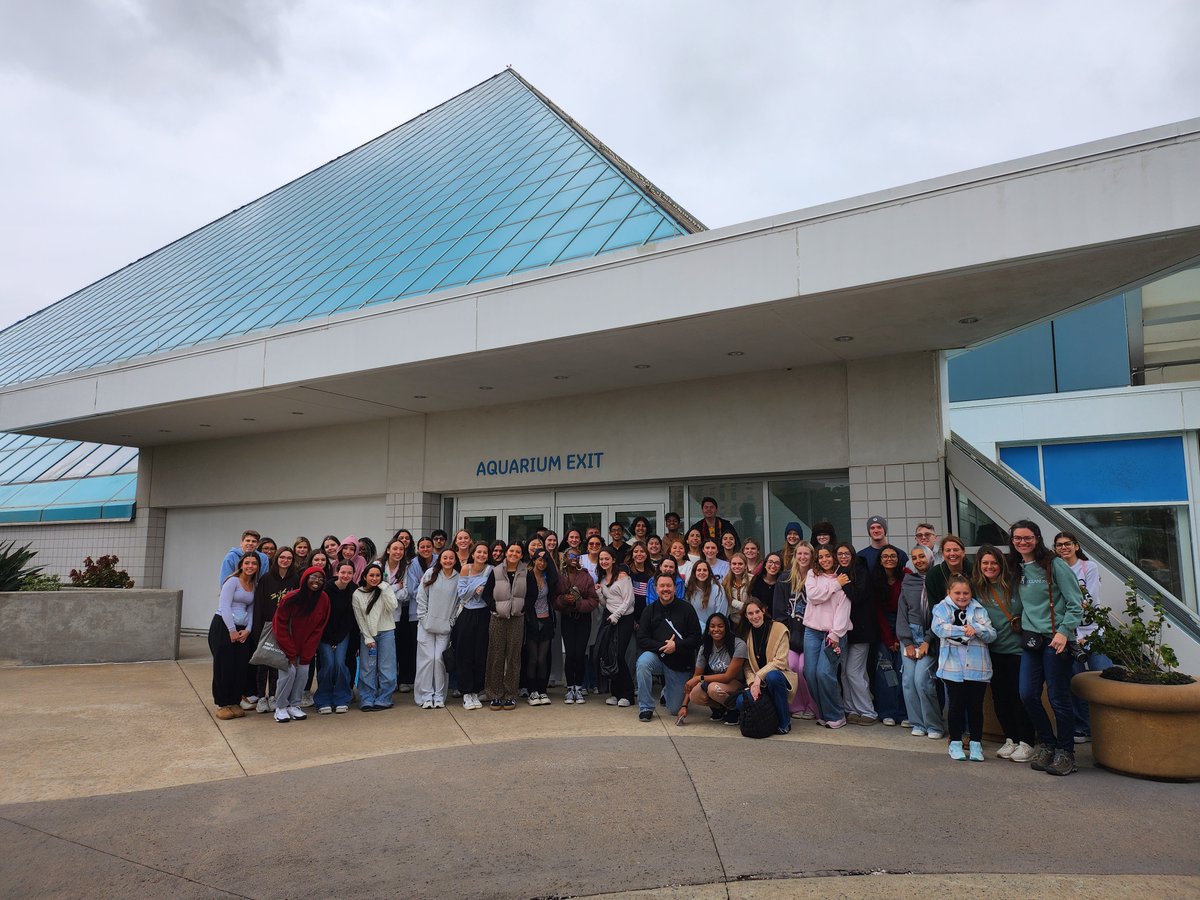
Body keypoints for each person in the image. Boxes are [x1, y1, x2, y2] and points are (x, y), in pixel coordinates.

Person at [1009, 520, 1084, 777]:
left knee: (1058, 698)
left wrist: (1064, 632)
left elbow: (1076, 603)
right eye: (1017, 538)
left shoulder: (1055, 565)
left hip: (1056, 640)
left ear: (1037, 538)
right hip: (1032, 640)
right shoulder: (1017, 567)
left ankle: (1066, 752)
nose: (1022, 542)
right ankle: (1048, 744)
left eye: (1027, 537)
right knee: (1027, 694)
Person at [972, 544, 1036, 761]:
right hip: (993, 651)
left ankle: (1027, 742)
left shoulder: (1014, 585)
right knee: (1000, 697)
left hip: (1018, 650)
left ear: (1001, 564)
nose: (989, 567)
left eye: (993, 562)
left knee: (1018, 696)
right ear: (979, 566)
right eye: (985, 563)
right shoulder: (977, 590)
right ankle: (1011, 738)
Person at [932, 574, 997, 761]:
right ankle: (955, 743)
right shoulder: (941, 608)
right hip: (953, 668)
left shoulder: (979, 610)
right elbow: (940, 629)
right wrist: (964, 630)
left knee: (975, 707)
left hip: (978, 667)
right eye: (957, 593)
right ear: (949, 592)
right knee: (956, 706)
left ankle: (976, 743)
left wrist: (976, 628)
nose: (962, 596)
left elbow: (991, 634)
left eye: (965, 593)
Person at [1055, 530, 1110, 744]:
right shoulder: (1055, 569)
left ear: (1076, 546)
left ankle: (1103, 724)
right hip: (1069, 634)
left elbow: (1091, 601)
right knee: (1075, 680)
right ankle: (1082, 726)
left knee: (1102, 674)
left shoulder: (1089, 567)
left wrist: (1084, 634)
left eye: (1067, 544)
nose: (1063, 548)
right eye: (1059, 545)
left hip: (1092, 631)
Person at [635, 573, 702, 722]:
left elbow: (696, 638)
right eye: (662, 586)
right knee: (642, 663)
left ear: (675, 588)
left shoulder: (687, 609)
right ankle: (646, 707)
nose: (665, 589)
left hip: (679, 662)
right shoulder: (649, 610)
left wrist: (676, 645)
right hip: (658, 657)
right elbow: (642, 638)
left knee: (673, 710)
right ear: (656, 588)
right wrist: (664, 646)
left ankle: (667, 691)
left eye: (669, 586)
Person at [897, 546, 945, 739]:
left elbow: (941, 614)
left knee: (922, 680)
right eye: (914, 558)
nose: (918, 560)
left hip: (931, 634)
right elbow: (902, 612)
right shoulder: (908, 581)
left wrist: (927, 640)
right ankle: (917, 722)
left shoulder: (938, 579)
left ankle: (934, 725)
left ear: (930, 557)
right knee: (908, 680)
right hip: (910, 633)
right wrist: (907, 641)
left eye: (921, 556)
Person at [272, 566, 330, 723]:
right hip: (286, 645)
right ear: (305, 579)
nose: (316, 581)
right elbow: (280, 625)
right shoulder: (291, 598)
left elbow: (320, 627)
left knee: (303, 673)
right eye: (313, 577)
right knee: (288, 673)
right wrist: (290, 651)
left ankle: (295, 705)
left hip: (306, 647)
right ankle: (281, 707)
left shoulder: (323, 599)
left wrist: (307, 651)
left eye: (320, 578)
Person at [803, 545, 853, 728]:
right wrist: (834, 585)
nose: (824, 560)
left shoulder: (844, 577)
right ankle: (824, 713)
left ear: (834, 557)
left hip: (833, 634)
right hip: (812, 631)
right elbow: (813, 596)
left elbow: (844, 608)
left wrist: (836, 634)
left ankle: (836, 714)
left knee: (824, 673)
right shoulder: (812, 575)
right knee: (809, 673)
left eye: (828, 556)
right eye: (821, 557)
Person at [209, 551, 259, 720]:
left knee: (240, 667)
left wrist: (248, 630)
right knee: (224, 666)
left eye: (254, 563)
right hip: (224, 627)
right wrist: (231, 630)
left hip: (243, 630)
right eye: (247, 563)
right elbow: (225, 606)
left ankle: (235, 701)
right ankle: (223, 703)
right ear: (241, 565)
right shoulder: (232, 582)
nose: (250, 566)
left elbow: (251, 610)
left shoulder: (254, 585)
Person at [250, 545, 298, 713]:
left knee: (277, 663)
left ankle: (273, 696)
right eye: (282, 557)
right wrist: (257, 630)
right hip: (267, 626)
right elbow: (259, 606)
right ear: (276, 559)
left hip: (285, 627)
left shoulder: (295, 579)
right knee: (264, 662)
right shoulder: (266, 579)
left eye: (289, 558)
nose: (285, 560)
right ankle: (261, 697)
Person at [739, 597, 798, 733]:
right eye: (750, 613)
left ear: (764, 611)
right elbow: (747, 666)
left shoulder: (779, 629)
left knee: (773, 677)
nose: (755, 616)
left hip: (779, 677)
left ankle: (784, 723)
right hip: (757, 683)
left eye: (757, 612)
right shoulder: (746, 634)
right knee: (740, 702)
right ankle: (768, 720)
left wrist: (759, 676)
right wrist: (752, 683)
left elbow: (780, 661)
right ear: (746, 616)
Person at [677, 612, 746, 725]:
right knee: (695, 693)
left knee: (713, 688)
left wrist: (700, 678)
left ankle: (734, 711)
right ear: (708, 629)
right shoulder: (705, 647)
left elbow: (728, 676)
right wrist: (684, 705)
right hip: (714, 684)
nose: (716, 629)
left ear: (726, 628)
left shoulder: (738, 645)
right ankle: (720, 709)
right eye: (712, 626)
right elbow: (695, 677)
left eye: (720, 626)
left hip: (737, 684)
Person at [482, 543, 528, 711]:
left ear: (521, 555)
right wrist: (495, 609)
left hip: (517, 619)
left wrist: (522, 608)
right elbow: (486, 594)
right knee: (496, 656)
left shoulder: (525, 571)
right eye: (511, 551)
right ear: (506, 553)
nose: (514, 554)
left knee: (514, 657)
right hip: (498, 619)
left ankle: (510, 695)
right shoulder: (495, 571)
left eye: (518, 551)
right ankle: (494, 694)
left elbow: (531, 594)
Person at [839, 541, 879, 725]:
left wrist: (843, 583)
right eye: (839, 554)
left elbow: (857, 596)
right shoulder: (838, 572)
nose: (843, 557)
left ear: (852, 555)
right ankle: (850, 709)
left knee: (854, 672)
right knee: (845, 673)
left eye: (846, 553)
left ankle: (867, 710)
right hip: (843, 631)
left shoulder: (860, 571)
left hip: (861, 631)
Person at [415, 547, 459, 709]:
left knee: (439, 660)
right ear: (440, 559)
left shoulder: (458, 578)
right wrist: (423, 618)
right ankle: (425, 695)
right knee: (427, 660)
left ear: (455, 560)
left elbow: (458, 603)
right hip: (426, 625)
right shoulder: (430, 573)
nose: (448, 561)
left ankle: (439, 695)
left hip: (445, 627)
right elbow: (421, 597)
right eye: (445, 558)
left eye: (451, 558)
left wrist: (451, 621)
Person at [554, 550, 599, 705]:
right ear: (565, 558)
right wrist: (564, 600)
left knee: (580, 654)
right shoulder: (561, 577)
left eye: (577, 557)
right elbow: (554, 599)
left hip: (583, 619)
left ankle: (578, 687)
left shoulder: (586, 576)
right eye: (571, 556)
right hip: (567, 619)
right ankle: (569, 688)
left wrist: (578, 603)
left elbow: (594, 600)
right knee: (570, 654)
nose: (574, 559)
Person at [352, 561, 398, 711]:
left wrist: (384, 588)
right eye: (371, 575)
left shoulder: (385, 589)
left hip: (386, 632)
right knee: (367, 667)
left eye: (378, 575)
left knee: (387, 667)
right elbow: (360, 618)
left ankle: (385, 698)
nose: (374, 578)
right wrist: (367, 637)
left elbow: (393, 606)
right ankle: (367, 698)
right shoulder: (357, 594)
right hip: (368, 634)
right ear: (365, 576)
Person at [870, 545, 907, 727]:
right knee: (885, 671)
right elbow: (877, 612)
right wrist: (889, 639)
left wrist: (899, 637)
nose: (889, 559)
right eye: (885, 556)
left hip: (903, 626)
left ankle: (903, 712)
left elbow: (906, 609)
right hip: (882, 628)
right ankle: (887, 711)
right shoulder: (875, 579)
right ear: (880, 559)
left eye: (893, 556)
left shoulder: (906, 576)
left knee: (902, 670)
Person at [314, 561, 356, 714]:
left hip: (343, 634)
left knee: (339, 663)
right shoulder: (325, 590)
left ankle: (341, 698)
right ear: (337, 572)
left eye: (349, 573)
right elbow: (321, 617)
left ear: (353, 574)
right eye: (343, 572)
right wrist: (331, 640)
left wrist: (338, 639)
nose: (346, 576)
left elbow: (349, 619)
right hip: (325, 633)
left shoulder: (354, 590)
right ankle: (323, 700)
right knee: (328, 664)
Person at [455, 543, 493, 711]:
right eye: (479, 551)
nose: (482, 555)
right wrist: (476, 587)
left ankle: (476, 691)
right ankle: (466, 692)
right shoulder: (465, 569)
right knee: (465, 653)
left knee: (480, 653)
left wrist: (482, 588)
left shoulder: (491, 570)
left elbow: (489, 592)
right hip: (467, 614)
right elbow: (461, 594)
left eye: (485, 552)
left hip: (484, 614)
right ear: (473, 553)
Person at [596, 548, 635, 707]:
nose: (603, 561)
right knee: (609, 655)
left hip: (624, 618)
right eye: (601, 559)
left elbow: (629, 601)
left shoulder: (623, 576)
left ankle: (628, 694)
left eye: (606, 558)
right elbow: (607, 602)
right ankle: (615, 693)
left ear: (613, 560)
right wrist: (599, 594)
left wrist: (616, 616)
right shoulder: (603, 578)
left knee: (619, 655)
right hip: (609, 616)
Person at [381, 537, 417, 694]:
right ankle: (385, 682)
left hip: (397, 615)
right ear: (388, 550)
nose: (398, 552)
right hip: (380, 615)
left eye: (401, 549)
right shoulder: (378, 566)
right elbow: (377, 589)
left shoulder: (406, 568)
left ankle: (402, 680)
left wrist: (387, 590)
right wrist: (395, 586)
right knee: (385, 653)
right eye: (395, 548)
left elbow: (406, 593)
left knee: (400, 649)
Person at [524, 549, 557, 706]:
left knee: (543, 658)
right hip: (532, 620)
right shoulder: (527, 576)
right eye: (539, 560)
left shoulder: (548, 577)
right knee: (533, 658)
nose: (542, 563)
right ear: (534, 560)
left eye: (544, 560)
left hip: (546, 620)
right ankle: (532, 692)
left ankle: (542, 691)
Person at [925, 535, 970, 604]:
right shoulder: (933, 575)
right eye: (948, 550)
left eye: (956, 550)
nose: (952, 553)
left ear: (963, 552)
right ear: (943, 554)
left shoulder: (974, 571)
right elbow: (933, 605)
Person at [685, 560, 727, 626]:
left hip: (715, 630)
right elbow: (689, 614)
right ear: (694, 573)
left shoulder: (718, 589)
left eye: (705, 570)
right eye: (699, 570)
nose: (702, 572)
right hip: (696, 629)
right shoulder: (689, 590)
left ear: (709, 572)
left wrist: (711, 628)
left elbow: (721, 613)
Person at [626, 540, 655, 622]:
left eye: (642, 551)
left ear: (646, 555)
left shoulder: (652, 573)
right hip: (629, 616)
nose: (639, 554)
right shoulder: (626, 571)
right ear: (632, 555)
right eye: (635, 551)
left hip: (647, 616)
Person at [723, 552, 752, 630]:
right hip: (734, 622)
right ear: (730, 565)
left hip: (750, 620)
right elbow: (726, 601)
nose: (737, 566)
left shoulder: (752, 580)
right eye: (734, 564)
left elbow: (753, 602)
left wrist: (733, 602)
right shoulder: (726, 581)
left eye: (740, 564)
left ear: (745, 566)